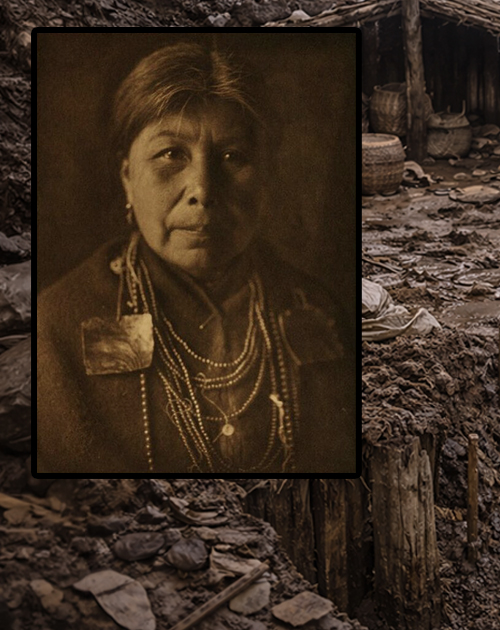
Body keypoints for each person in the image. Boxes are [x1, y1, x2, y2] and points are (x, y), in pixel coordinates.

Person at [36, 41, 356, 474]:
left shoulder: (315, 308)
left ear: (265, 175)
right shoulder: (60, 325)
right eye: (171, 155)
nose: (203, 190)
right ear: (128, 176)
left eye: (232, 157)